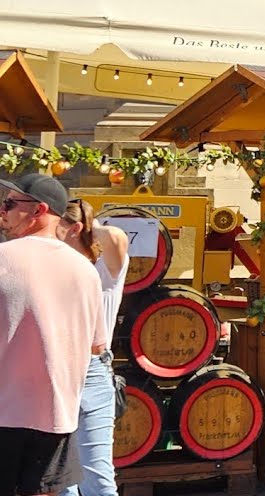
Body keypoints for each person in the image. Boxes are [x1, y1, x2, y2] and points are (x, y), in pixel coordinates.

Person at [0, 175, 106, 496]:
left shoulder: (3, 258)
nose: (2, 210)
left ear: (39, 210)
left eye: (9, 203)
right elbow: (97, 346)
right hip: (56, 415)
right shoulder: (86, 270)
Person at [57, 200, 129, 496]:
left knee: (98, 480)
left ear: (73, 230)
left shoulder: (104, 270)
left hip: (92, 371)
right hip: (57, 370)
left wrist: (90, 225)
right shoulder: (58, 270)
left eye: (58, 229)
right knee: (62, 480)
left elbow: (116, 238)